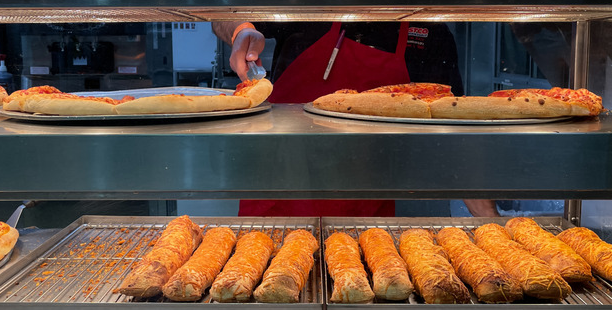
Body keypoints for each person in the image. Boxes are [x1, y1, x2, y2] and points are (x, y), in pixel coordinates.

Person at [212, 21, 498, 217]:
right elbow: (222, 13)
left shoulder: (428, 31)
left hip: (363, 210)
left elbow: (456, 137)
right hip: (278, 190)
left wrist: (489, 220)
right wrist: (241, 31)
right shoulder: (309, 0)